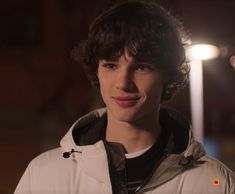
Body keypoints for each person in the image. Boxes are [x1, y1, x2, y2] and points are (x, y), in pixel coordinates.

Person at [14, 1, 235, 194]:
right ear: (97, 71)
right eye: (111, 65)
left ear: (166, 75)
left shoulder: (214, 182)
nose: (123, 83)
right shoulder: (44, 175)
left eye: (141, 67)